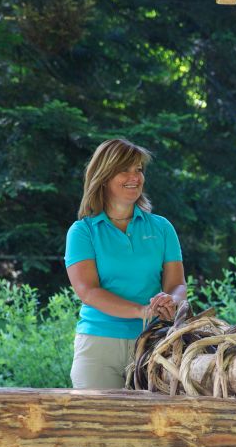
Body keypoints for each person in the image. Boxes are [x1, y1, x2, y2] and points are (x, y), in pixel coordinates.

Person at [64, 138, 186, 389]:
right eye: (124, 170)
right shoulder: (82, 232)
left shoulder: (162, 228)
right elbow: (88, 291)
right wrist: (141, 312)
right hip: (99, 346)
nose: (135, 177)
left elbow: (177, 284)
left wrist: (171, 300)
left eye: (138, 170)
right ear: (104, 176)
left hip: (154, 344)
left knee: (155, 427)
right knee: (97, 426)